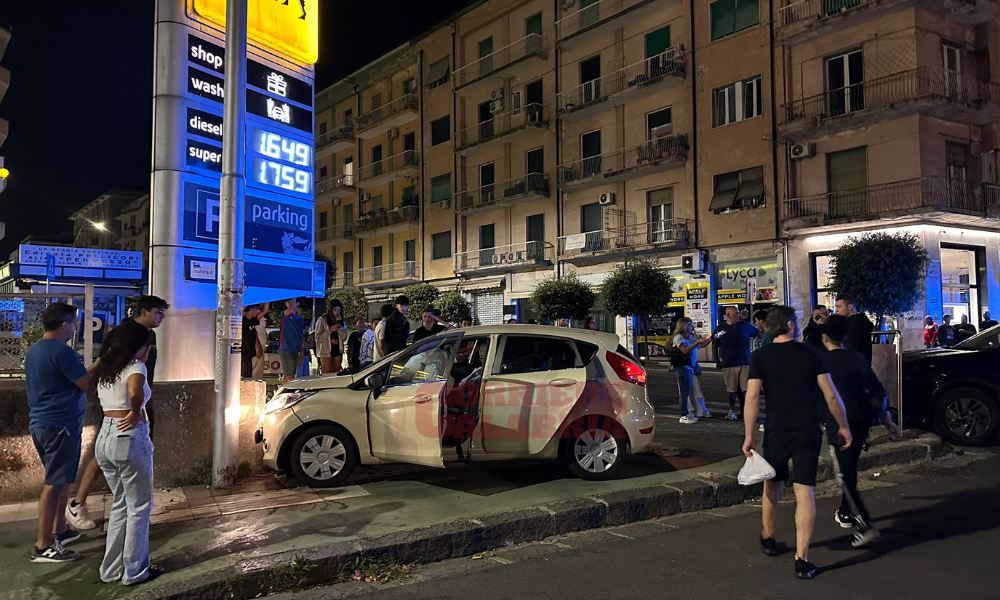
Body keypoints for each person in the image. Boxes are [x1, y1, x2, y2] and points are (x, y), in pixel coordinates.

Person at [742, 305, 852, 580]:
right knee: (805, 491)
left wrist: (749, 434)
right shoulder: (811, 354)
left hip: (776, 430)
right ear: (790, 325)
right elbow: (831, 395)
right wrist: (844, 427)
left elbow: (752, 397)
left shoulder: (760, 356)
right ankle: (802, 559)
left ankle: (768, 537)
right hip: (807, 430)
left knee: (772, 482)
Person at [68, 295, 168, 532]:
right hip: (122, 406)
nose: (162, 317)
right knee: (109, 456)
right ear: (143, 311)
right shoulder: (124, 333)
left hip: (137, 404)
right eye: (158, 312)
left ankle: (128, 509)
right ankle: (78, 503)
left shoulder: (146, 335)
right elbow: (104, 362)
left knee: (112, 457)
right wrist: (83, 380)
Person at [820, 315, 901, 548]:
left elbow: (820, 396)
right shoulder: (857, 358)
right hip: (861, 420)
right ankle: (845, 511)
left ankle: (865, 524)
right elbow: (876, 390)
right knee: (850, 468)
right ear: (845, 336)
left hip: (838, 423)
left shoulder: (821, 362)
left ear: (825, 337)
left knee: (843, 475)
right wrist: (887, 420)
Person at [25, 303, 97, 562]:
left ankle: (61, 530)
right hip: (60, 426)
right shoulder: (61, 351)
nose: (76, 327)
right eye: (75, 323)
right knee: (54, 484)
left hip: (44, 424)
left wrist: (94, 366)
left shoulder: (36, 350)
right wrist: (102, 365)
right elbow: (87, 385)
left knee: (63, 480)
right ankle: (43, 545)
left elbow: (72, 377)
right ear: (64, 324)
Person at [91, 321, 159, 585]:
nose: (149, 349)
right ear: (138, 346)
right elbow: (135, 391)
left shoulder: (108, 368)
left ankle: (109, 571)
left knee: (119, 503)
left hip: (105, 436)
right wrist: (134, 411)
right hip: (129, 436)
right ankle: (135, 571)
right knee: (139, 506)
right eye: (147, 344)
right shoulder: (136, 366)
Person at [713, 306, 760, 421]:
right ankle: (731, 410)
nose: (738, 315)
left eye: (738, 313)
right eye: (736, 313)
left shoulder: (745, 326)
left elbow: (758, 334)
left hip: (744, 362)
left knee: (746, 389)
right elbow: (715, 343)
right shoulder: (721, 329)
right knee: (732, 389)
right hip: (729, 363)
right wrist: (717, 360)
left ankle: (747, 411)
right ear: (728, 315)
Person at [672, 317, 713, 424]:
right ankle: (684, 414)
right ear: (684, 326)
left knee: (694, 389)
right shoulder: (679, 337)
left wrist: (709, 339)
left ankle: (694, 412)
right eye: (690, 325)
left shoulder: (691, 337)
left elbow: (701, 345)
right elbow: (684, 350)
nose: (692, 327)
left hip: (691, 366)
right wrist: (697, 342)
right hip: (682, 366)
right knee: (685, 392)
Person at [834, 294, 874, 363]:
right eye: (836, 307)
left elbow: (849, 343)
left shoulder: (854, 323)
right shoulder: (861, 321)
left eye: (839, 307)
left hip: (853, 363)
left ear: (850, 307)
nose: (837, 310)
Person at [279, 298, 306, 384]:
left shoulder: (299, 319)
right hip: (286, 348)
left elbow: (302, 336)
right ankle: (285, 393)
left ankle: (288, 392)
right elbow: (290, 309)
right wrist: (295, 295)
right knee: (289, 374)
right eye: (287, 302)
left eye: (291, 301)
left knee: (292, 374)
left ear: (297, 303)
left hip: (296, 349)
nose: (289, 303)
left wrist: (301, 353)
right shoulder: (284, 314)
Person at [315, 301, 345, 373]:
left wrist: (339, 325)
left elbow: (344, 337)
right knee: (327, 374)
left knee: (337, 373)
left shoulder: (341, 322)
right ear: (330, 309)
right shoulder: (322, 320)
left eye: (339, 310)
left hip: (338, 349)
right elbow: (318, 338)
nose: (337, 312)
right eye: (335, 310)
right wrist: (330, 330)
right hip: (326, 350)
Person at [240, 304, 262, 378]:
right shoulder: (242, 320)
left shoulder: (252, 321)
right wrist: (246, 305)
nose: (258, 311)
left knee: (248, 376)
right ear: (252, 309)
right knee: (243, 375)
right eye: (256, 309)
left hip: (249, 354)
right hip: (242, 354)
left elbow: (265, 311)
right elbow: (240, 313)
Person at [251, 303, 270, 379]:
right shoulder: (254, 316)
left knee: (257, 373)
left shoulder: (255, 315)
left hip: (259, 347)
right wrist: (258, 346)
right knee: (256, 375)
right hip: (257, 348)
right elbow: (253, 332)